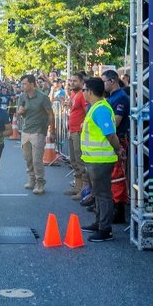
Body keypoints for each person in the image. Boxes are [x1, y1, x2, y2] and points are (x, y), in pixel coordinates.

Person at [78, 78, 123, 242]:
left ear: (89, 91)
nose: (82, 93)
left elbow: (110, 134)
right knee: (97, 193)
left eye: (83, 90)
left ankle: (105, 229)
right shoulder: (96, 107)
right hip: (94, 159)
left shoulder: (101, 109)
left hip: (101, 160)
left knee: (103, 194)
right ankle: (99, 223)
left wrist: (119, 149)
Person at [16, 74, 54, 195]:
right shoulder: (22, 96)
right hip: (26, 130)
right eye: (22, 84)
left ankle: (40, 183)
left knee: (37, 160)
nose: (22, 86)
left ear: (32, 84)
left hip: (38, 131)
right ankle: (32, 179)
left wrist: (52, 130)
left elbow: (50, 113)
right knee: (28, 158)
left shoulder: (42, 97)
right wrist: (20, 112)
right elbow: (19, 111)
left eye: (25, 83)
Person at [102, 70, 130, 222]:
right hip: (113, 139)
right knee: (112, 174)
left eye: (104, 81)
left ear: (112, 81)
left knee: (117, 175)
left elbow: (116, 122)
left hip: (117, 139)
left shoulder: (120, 98)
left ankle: (118, 209)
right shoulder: (113, 97)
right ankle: (114, 205)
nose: (103, 84)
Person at [66, 72, 88, 199]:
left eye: (75, 81)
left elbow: (86, 112)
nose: (72, 83)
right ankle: (77, 187)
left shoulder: (82, 95)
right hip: (72, 130)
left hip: (78, 132)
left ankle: (84, 191)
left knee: (80, 160)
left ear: (81, 82)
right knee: (73, 160)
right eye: (71, 81)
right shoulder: (74, 94)